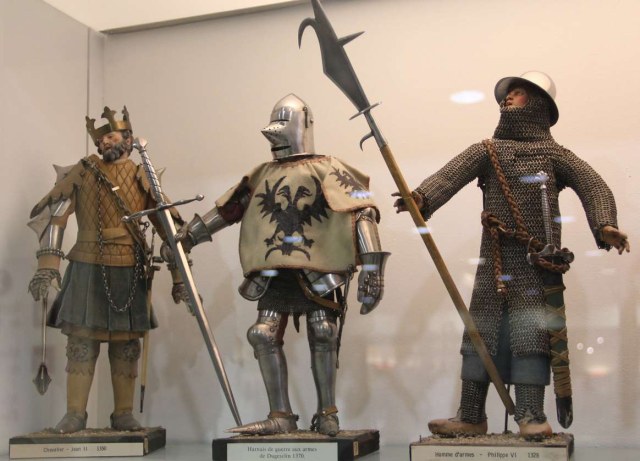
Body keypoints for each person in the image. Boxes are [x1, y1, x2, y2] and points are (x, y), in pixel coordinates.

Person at [394, 71, 629, 437]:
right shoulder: (487, 150)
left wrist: (605, 225)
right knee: (480, 335)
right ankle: (471, 415)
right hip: (494, 262)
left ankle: (531, 415)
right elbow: (449, 176)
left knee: (530, 336)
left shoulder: (553, 155)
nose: (508, 99)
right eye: (509, 94)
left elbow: (593, 184)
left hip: (535, 267)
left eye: (517, 93)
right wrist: (422, 198)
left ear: (538, 104)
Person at [175, 94, 389, 437]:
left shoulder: (329, 168)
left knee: (324, 331)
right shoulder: (262, 174)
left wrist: (373, 268)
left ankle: (327, 413)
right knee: (262, 334)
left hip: (319, 268)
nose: (274, 137)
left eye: (281, 127)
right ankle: (281, 416)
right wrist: (188, 236)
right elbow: (229, 210)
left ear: (301, 126)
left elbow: (363, 210)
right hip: (273, 271)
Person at [28, 107, 188, 433]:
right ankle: (75, 414)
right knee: (81, 343)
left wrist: (178, 277)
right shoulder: (82, 172)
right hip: (87, 263)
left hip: (129, 266)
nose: (105, 142)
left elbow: (169, 229)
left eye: (112, 135)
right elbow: (55, 216)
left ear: (128, 138)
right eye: (101, 138)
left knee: (126, 346)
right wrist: (47, 266)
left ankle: (123, 414)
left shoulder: (143, 176)